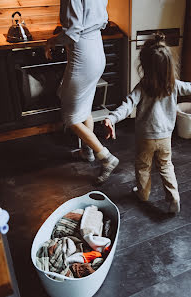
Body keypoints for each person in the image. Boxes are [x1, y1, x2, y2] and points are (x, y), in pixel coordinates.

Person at [103, 34, 191, 213]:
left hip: (145, 138)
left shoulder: (142, 87)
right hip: (165, 137)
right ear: (169, 66)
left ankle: (143, 194)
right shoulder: (174, 85)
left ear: (144, 65)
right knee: (165, 166)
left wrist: (112, 118)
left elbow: (127, 105)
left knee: (143, 166)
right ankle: (173, 198)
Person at [45, 0, 118, 184]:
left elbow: (72, 32)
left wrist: (51, 41)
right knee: (84, 109)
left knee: (71, 118)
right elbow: (102, 21)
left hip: (82, 57)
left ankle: (106, 157)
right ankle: (87, 151)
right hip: (97, 51)